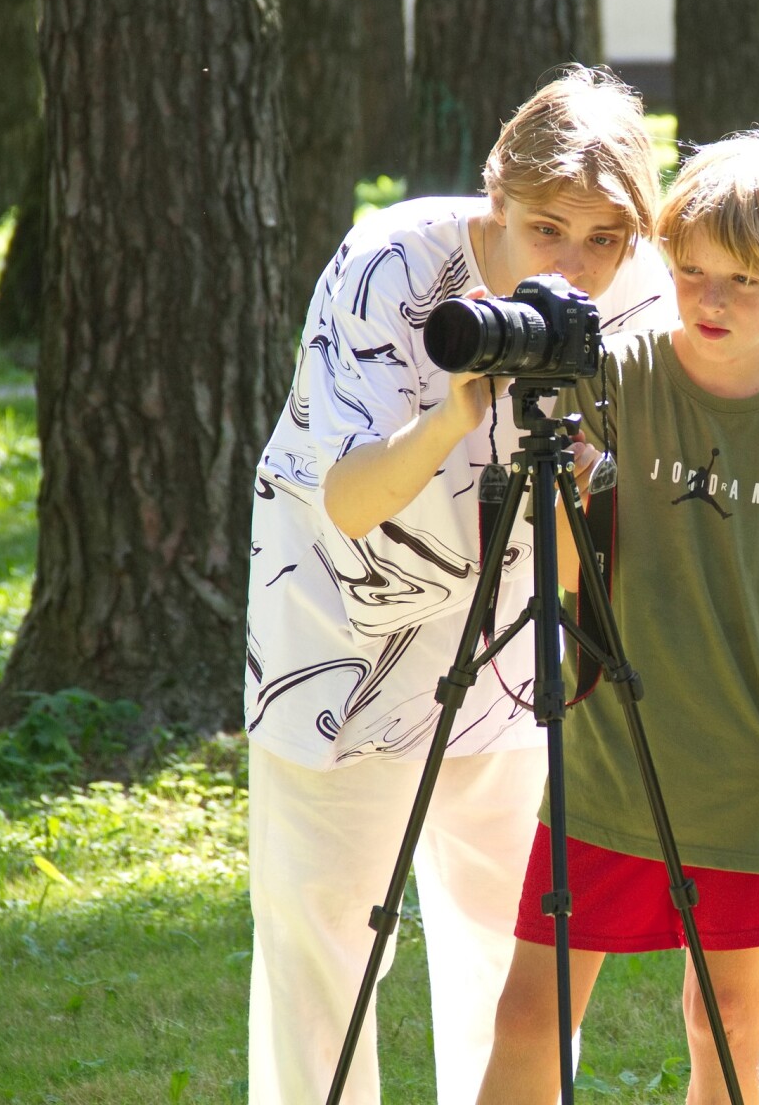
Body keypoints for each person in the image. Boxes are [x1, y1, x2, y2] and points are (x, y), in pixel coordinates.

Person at [242, 67, 679, 1105]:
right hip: (339, 646)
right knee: (325, 966)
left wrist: (604, 487)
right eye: (546, 230)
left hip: (512, 650)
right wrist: (449, 415)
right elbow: (344, 500)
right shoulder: (389, 266)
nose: (574, 268)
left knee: (512, 952)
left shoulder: (646, 287)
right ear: (497, 195)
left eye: (606, 236)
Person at [473, 134, 759, 1105]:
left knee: (726, 1019)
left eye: (742, 280)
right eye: (690, 269)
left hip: (743, 783)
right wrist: (564, 498)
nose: (709, 299)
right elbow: (561, 578)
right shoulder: (610, 377)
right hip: (605, 764)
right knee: (532, 1016)